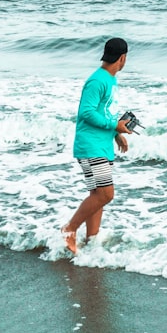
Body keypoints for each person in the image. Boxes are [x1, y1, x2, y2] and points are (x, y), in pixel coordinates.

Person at [61, 37, 134, 254]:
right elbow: (86, 112)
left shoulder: (110, 80)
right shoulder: (98, 80)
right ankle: (69, 229)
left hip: (101, 145)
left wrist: (115, 133)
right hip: (91, 146)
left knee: (97, 196)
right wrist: (115, 125)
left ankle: (91, 241)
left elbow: (103, 113)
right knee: (105, 194)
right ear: (122, 58)